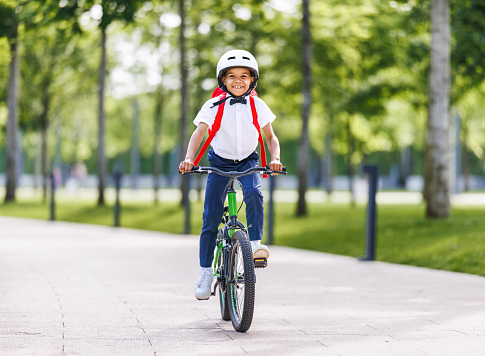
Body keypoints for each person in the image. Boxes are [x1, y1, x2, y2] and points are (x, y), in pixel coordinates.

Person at [179, 49, 283, 300]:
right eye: (232, 76)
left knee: (255, 193)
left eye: (244, 76)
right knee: (210, 218)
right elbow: (199, 133)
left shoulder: (258, 104)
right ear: (222, 80)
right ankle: (205, 272)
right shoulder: (213, 104)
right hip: (220, 162)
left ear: (252, 80)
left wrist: (276, 158)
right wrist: (190, 159)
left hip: (249, 160)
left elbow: (270, 137)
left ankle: (256, 245)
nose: (238, 80)